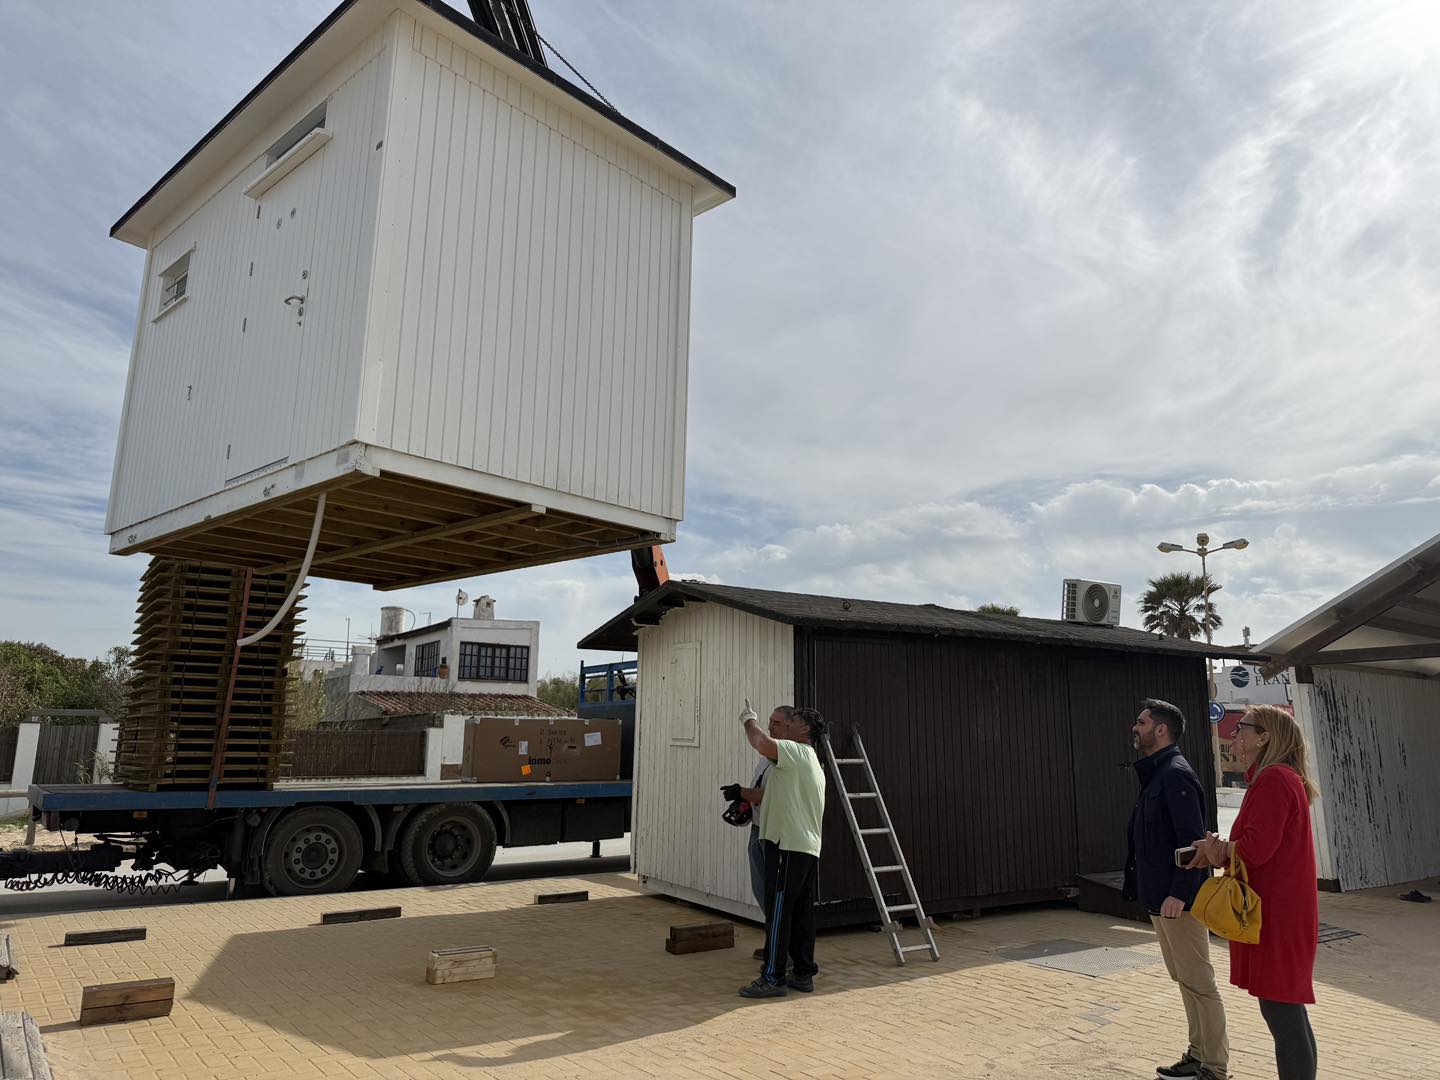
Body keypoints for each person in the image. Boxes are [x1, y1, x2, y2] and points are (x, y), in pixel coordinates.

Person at [1187, 704, 1320, 1080]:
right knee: (1286, 1009)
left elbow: (1256, 849)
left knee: (1281, 1010)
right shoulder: (1281, 777)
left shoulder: (1274, 778)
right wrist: (1220, 849)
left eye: (1241, 729)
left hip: (1275, 913)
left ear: (1264, 737)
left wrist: (1219, 850)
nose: (1233, 735)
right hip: (1281, 909)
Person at [1124, 699, 1229, 1080]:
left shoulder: (1175, 775)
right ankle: (1197, 1056)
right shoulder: (1157, 774)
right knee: (1185, 980)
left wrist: (1179, 894)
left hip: (1179, 902)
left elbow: (1192, 842)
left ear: (1161, 730)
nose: (1135, 728)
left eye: (1141, 722)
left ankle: (1214, 1068)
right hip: (1161, 899)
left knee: (1200, 983)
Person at [736, 699, 826, 999]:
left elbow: (761, 742)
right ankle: (803, 972)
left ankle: (772, 977)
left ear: (804, 729)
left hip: (786, 844)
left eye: (790, 722)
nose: (784, 726)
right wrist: (742, 794)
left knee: (778, 911)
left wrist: (748, 719)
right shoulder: (806, 762)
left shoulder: (797, 752)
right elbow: (768, 794)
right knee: (800, 912)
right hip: (805, 846)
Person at [721, 707, 786, 958]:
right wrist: (745, 803)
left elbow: (771, 795)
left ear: (790, 727)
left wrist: (742, 793)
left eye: (776, 723)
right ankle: (774, 941)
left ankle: (782, 950)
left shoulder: (786, 757)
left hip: (775, 834)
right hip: (758, 830)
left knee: (775, 893)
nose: (770, 727)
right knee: (762, 890)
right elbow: (758, 791)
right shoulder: (765, 761)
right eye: (769, 721)